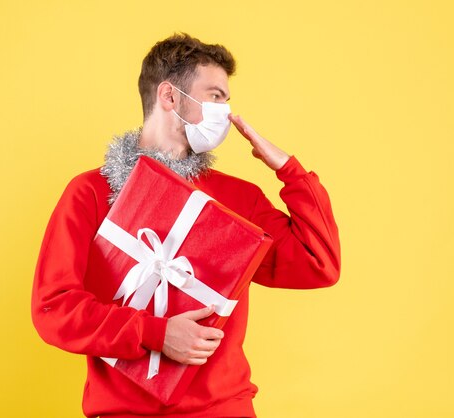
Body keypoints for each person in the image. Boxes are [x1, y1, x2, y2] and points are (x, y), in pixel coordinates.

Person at [32, 33, 341, 418]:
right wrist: (155, 333)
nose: (225, 113)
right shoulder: (91, 192)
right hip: (123, 412)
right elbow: (54, 309)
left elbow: (318, 264)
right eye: (214, 97)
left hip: (222, 409)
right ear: (170, 97)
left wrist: (289, 171)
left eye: (226, 100)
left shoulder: (237, 197)